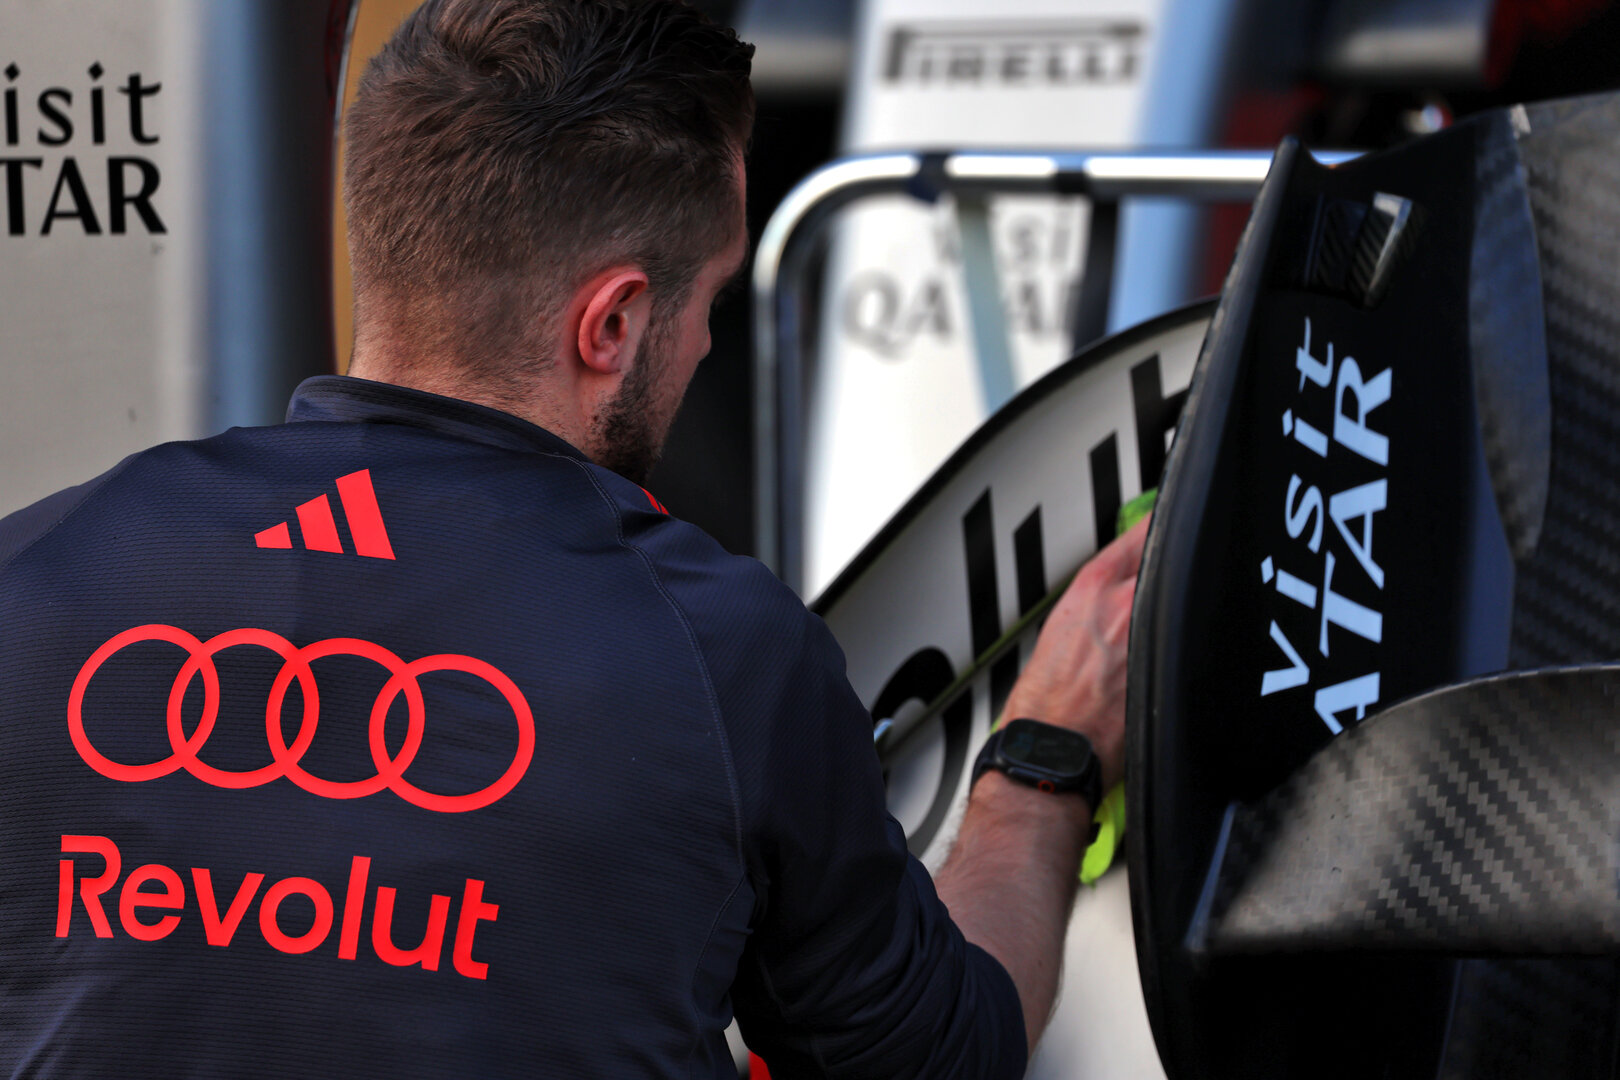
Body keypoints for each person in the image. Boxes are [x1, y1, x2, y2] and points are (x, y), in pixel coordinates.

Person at [0, 1, 1145, 1076]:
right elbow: (938, 1057)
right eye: (710, 302)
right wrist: (1046, 758)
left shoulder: (34, 573)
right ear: (612, 323)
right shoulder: (724, 653)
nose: (705, 347)